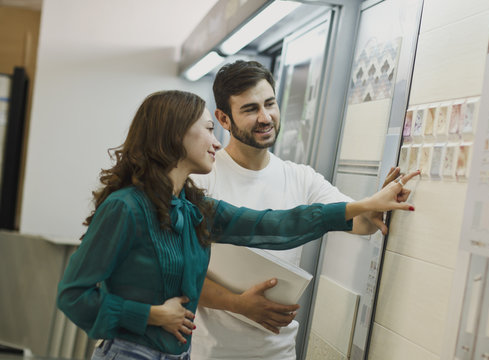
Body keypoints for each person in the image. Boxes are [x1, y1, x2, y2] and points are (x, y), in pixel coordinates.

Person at [56, 90, 416, 360]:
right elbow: (73, 295)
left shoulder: (193, 207)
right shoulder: (126, 208)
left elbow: (273, 224)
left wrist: (364, 205)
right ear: (175, 134)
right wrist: (150, 315)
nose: (216, 142)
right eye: (209, 129)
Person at [190, 60, 418, 359]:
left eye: (270, 103)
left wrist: (379, 201)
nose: (265, 117)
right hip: (212, 353)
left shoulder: (300, 177)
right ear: (223, 118)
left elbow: (361, 223)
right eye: (250, 109)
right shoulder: (202, 178)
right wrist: (237, 303)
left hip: (279, 352)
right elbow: (182, 273)